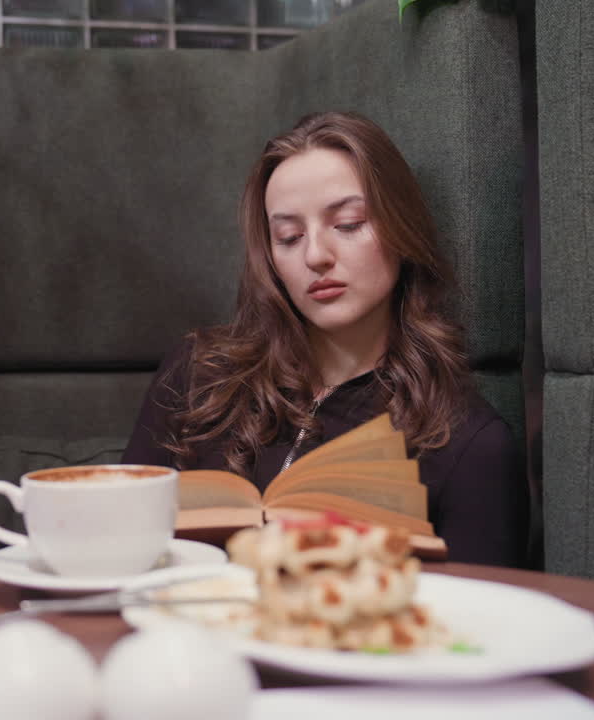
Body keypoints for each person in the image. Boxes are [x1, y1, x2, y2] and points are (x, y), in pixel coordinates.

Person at [122, 111, 528, 567]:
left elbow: (482, 624)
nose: (316, 255)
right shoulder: (198, 374)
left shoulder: (469, 443)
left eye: (349, 224)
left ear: (401, 229)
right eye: (289, 236)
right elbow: (114, 543)